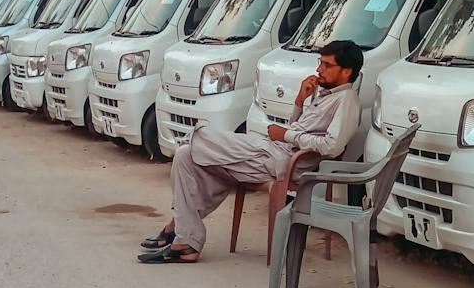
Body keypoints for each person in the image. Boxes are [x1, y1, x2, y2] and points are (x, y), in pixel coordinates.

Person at [138, 39, 364, 264]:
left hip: (284, 161)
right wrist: (299, 102)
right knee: (185, 156)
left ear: (346, 71)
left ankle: (179, 229)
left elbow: (333, 146)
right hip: (272, 152)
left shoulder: (347, 101)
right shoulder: (327, 95)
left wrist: (284, 135)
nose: (318, 69)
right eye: (319, 63)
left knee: (201, 137)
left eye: (326, 65)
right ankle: (185, 241)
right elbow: (299, 129)